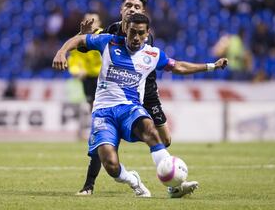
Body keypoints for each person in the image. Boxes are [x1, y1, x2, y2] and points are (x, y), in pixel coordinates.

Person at [52, 13, 228, 197]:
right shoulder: (108, 42)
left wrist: (212, 66)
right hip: (103, 112)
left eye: (140, 33)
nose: (136, 37)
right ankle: (133, 180)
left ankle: (175, 186)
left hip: (130, 109)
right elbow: (80, 39)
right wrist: (61, 52)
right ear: (126, 30)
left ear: (147, 33)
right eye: (132, 32)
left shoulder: (153, 54)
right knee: (111, 165)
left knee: (151, 131)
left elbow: (179, 67)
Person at [76, 0, 173, 196]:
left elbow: (152, 64)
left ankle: (171, 177)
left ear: (143, 13)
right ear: (121, 10)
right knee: (104, 136)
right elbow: (85, 45)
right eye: (128, 5)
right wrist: (83, 36)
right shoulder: (111, 30)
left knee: (165, 140)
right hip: (116, 93)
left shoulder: (146, 35)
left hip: (147, 93)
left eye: (136, 6)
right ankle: (89, 185)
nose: (131, 9)